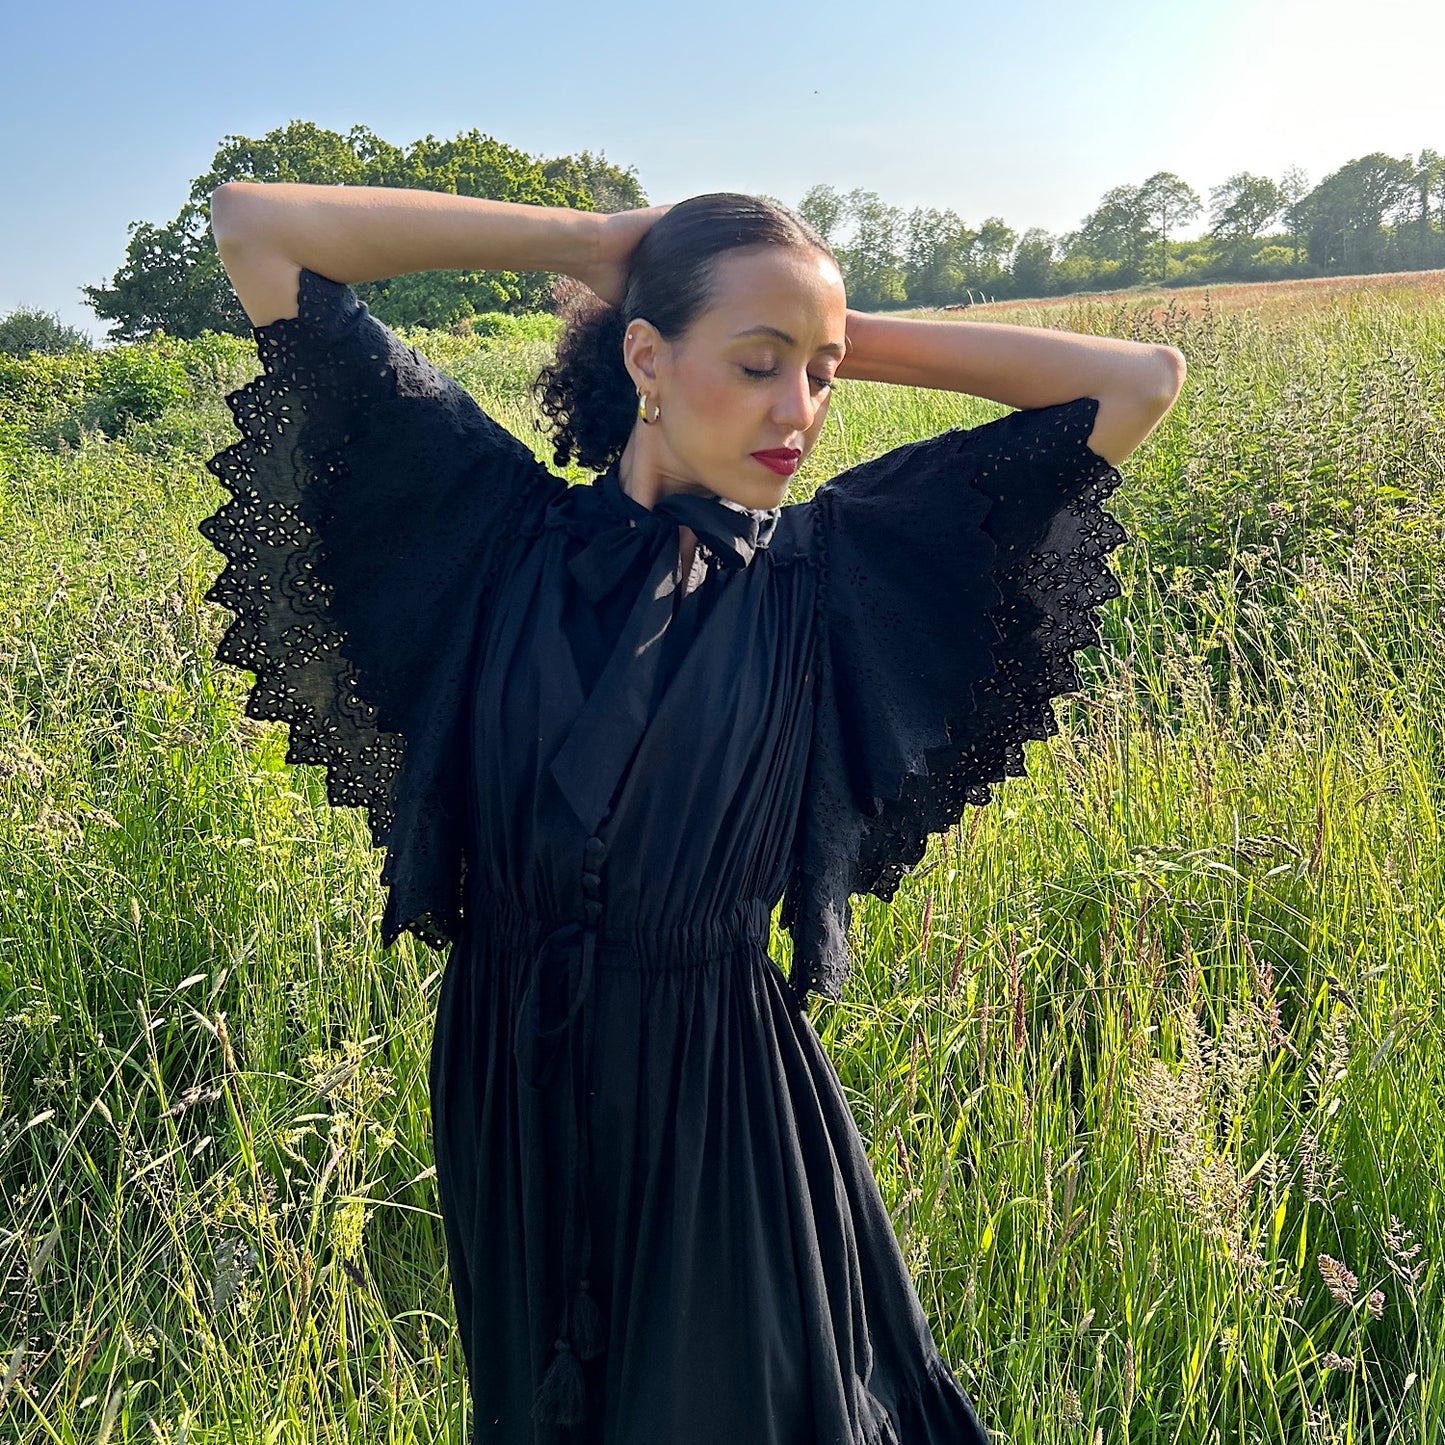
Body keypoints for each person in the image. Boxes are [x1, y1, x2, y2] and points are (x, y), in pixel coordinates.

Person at [200, 182, 1185, 1444]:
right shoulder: (489, 527)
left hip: (716, 1086)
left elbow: (1136, 380)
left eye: (820, 379)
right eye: (760, 367)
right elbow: (255, 226)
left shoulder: (832, 575)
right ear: (643, 357)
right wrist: (600, 250)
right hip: (508, 1067)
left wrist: (815, 320)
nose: (800, 414)